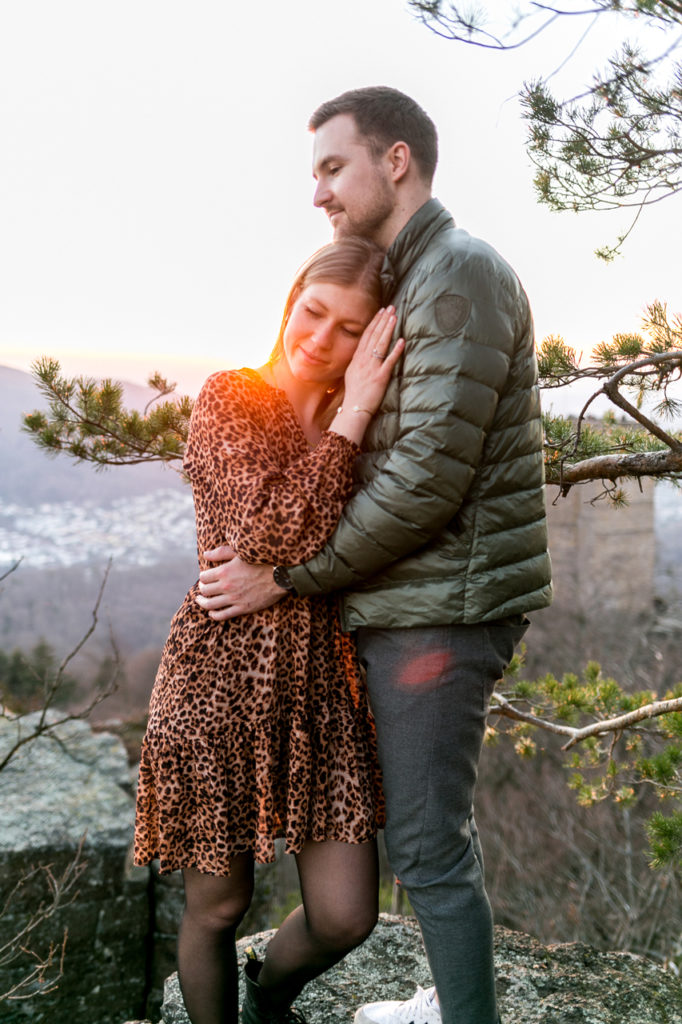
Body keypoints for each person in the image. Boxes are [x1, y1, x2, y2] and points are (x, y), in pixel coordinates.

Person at [195, 87, 553, 1024]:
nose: (317, 192)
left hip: (440, 611)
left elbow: (426, 479)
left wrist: (288, 579)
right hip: (406, 605)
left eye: (332, 167)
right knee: (429, 842)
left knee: (431, 850)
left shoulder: (457, 271)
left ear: (396, 161)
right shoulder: (413, 277)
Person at [134, 235, 405, 1024]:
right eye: (312, 313)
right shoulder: (233, 396)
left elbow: (357, 540)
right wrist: (352, 417)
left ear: (371, 340)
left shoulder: (377, 421)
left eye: (349, 329)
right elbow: (270, 527)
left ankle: (267, 994)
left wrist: (355, 418)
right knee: (217, 907)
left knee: (346, 914)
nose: (321, 339)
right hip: (216, 685)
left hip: (322, 693)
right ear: (290, 302)